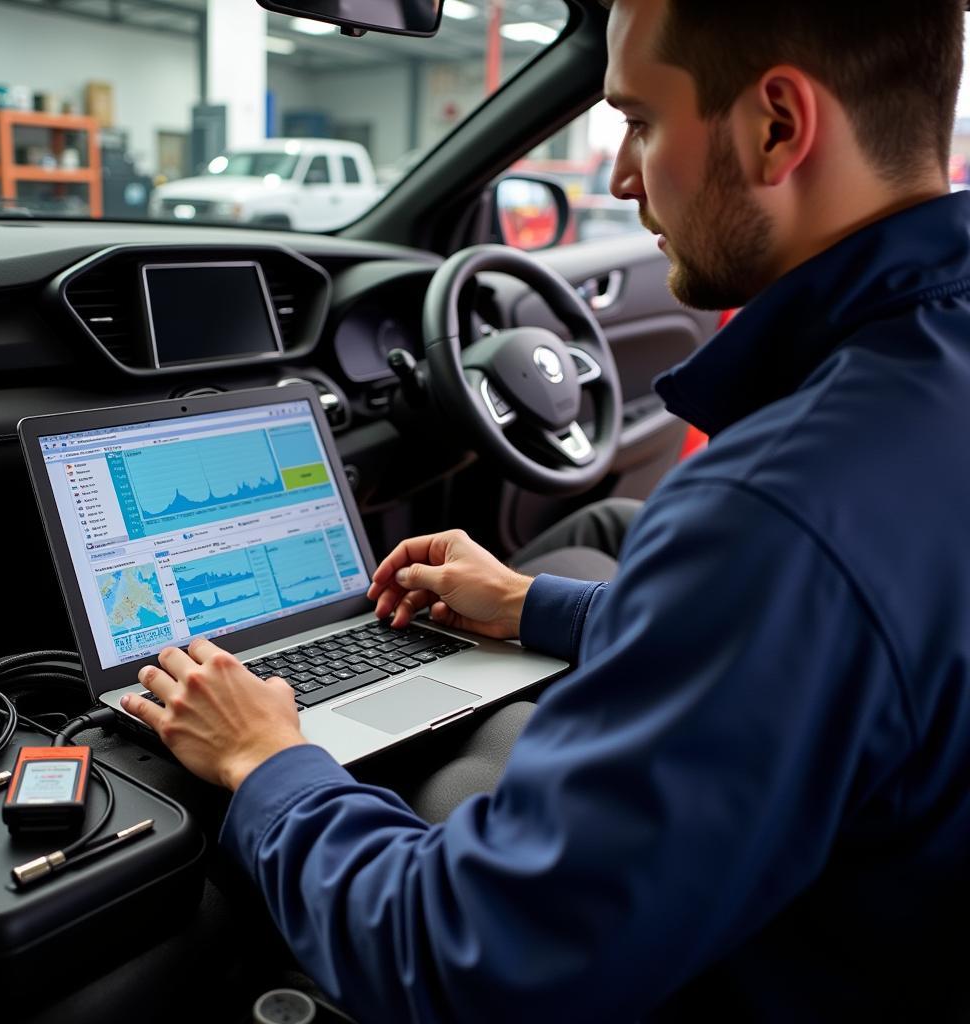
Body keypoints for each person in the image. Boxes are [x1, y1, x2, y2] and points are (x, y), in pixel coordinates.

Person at [120, 0, 970, 1019]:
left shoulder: (776, 514)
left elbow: (460, 958)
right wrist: (532, 603)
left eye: (641, 121)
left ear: (778, 125)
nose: (617, 175)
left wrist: (267, 761)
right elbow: (853, 653)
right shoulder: (926, 373)